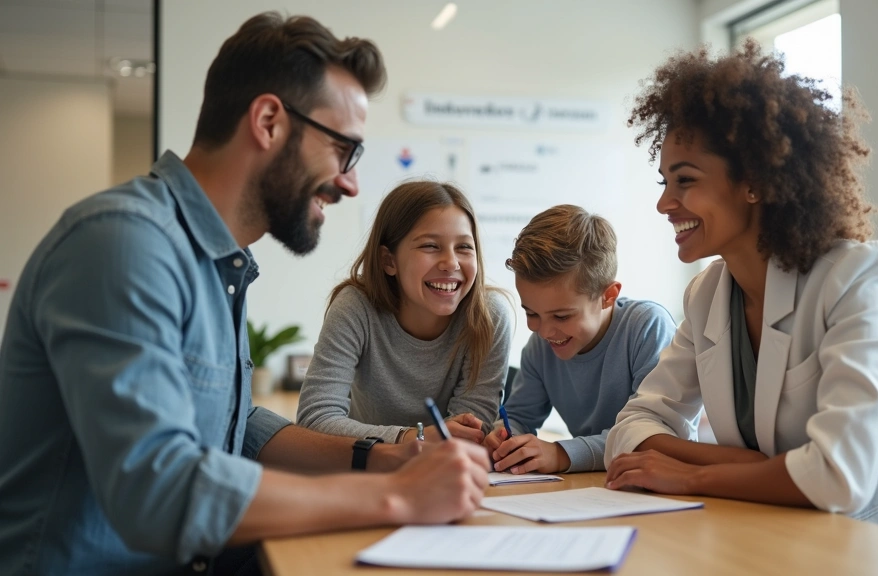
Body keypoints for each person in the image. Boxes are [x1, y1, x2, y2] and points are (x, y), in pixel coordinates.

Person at [0, 13, 489, 576]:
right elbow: (157, 489)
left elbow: (232, 423)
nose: (351, 182)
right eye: (343, 150)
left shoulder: (214, 258)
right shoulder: (123, 242)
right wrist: (397, 497)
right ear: (268, 121)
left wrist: (379, 459)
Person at [603, 40, 878, 538]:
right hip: (768, 531)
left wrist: (694, 474)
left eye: (685, 181)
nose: (665, 204)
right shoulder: (707, 295)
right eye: (664, 183)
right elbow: (631, 429)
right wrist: (751, 465)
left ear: (755, 183)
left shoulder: (853, 277)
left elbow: (837, 476)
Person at [297, 181, 513, 445]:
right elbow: (314, 420)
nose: (451, 263)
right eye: (430, 246)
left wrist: (435, 441)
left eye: (464, 247)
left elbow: (468, 433)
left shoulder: (488, 316)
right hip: (369, 470)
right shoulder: (355, 307)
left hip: (442, 474)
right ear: (389, 261)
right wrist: (416, 437)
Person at [482, 205, 675, 474]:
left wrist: (562, 454)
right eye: (531, 313)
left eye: (561, 316)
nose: (545, 331)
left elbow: (656, 436)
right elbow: (519, 417)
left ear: (608, 296)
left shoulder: (646, 327)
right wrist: (504, 435)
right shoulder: (541, 348)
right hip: (595, 487)